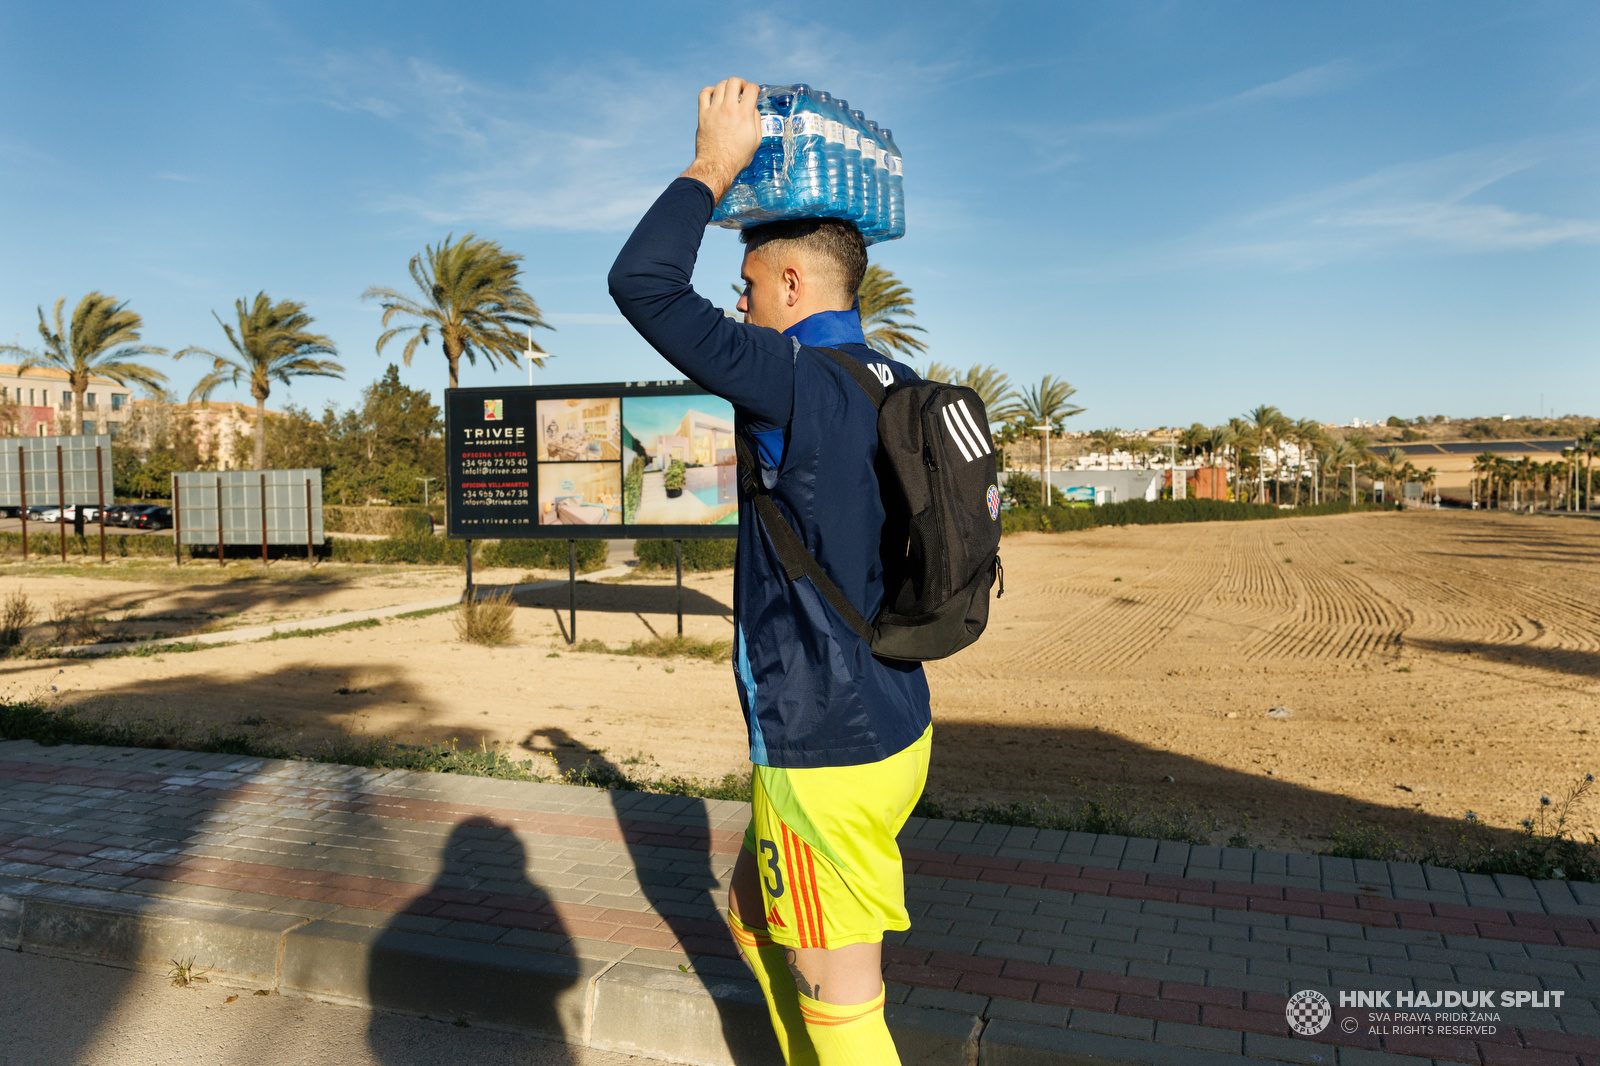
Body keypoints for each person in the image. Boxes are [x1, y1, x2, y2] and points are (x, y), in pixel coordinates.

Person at [610, 78, 927, 1066]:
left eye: (746, 287)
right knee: (754, 916)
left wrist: (713, 163)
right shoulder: (893, 383)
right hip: (893, 716)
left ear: (793, 286)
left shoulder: (792, 376)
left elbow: (643, 287)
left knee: (840, 1001)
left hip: (824, 743)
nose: (736, 304)